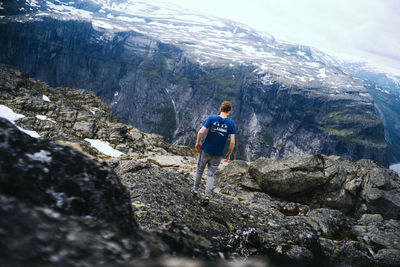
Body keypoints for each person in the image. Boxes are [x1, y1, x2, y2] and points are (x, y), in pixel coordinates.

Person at [192, 101, 236, 206]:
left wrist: (198, 143)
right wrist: (228, 154)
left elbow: (200, 132)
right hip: (218, 153)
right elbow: (232, 142)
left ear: (221, 109)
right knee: (210, 175)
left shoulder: (211, 118)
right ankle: (207, 197)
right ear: (229, 111)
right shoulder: (231, 124)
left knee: (199, 170)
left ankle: (194, 191)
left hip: (206, 149)